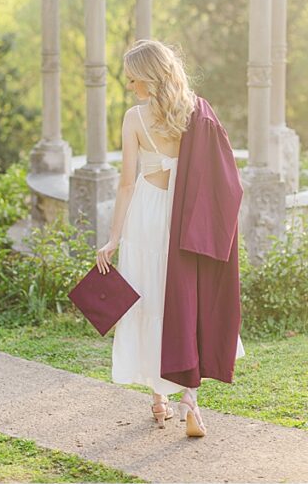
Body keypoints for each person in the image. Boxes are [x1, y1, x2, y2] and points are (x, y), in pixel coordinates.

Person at [96, 39, 243, 438]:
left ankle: (159, 397)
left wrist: (113, 238)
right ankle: (189, 401)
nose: (129, 86)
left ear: (148, 77)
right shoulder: (197, 112)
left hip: (147, 216)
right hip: (186, 222)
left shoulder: (135, 119)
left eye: (132, 79)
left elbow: (127, 184)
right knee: (185, 303)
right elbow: (222, 176)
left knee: (148, 302)